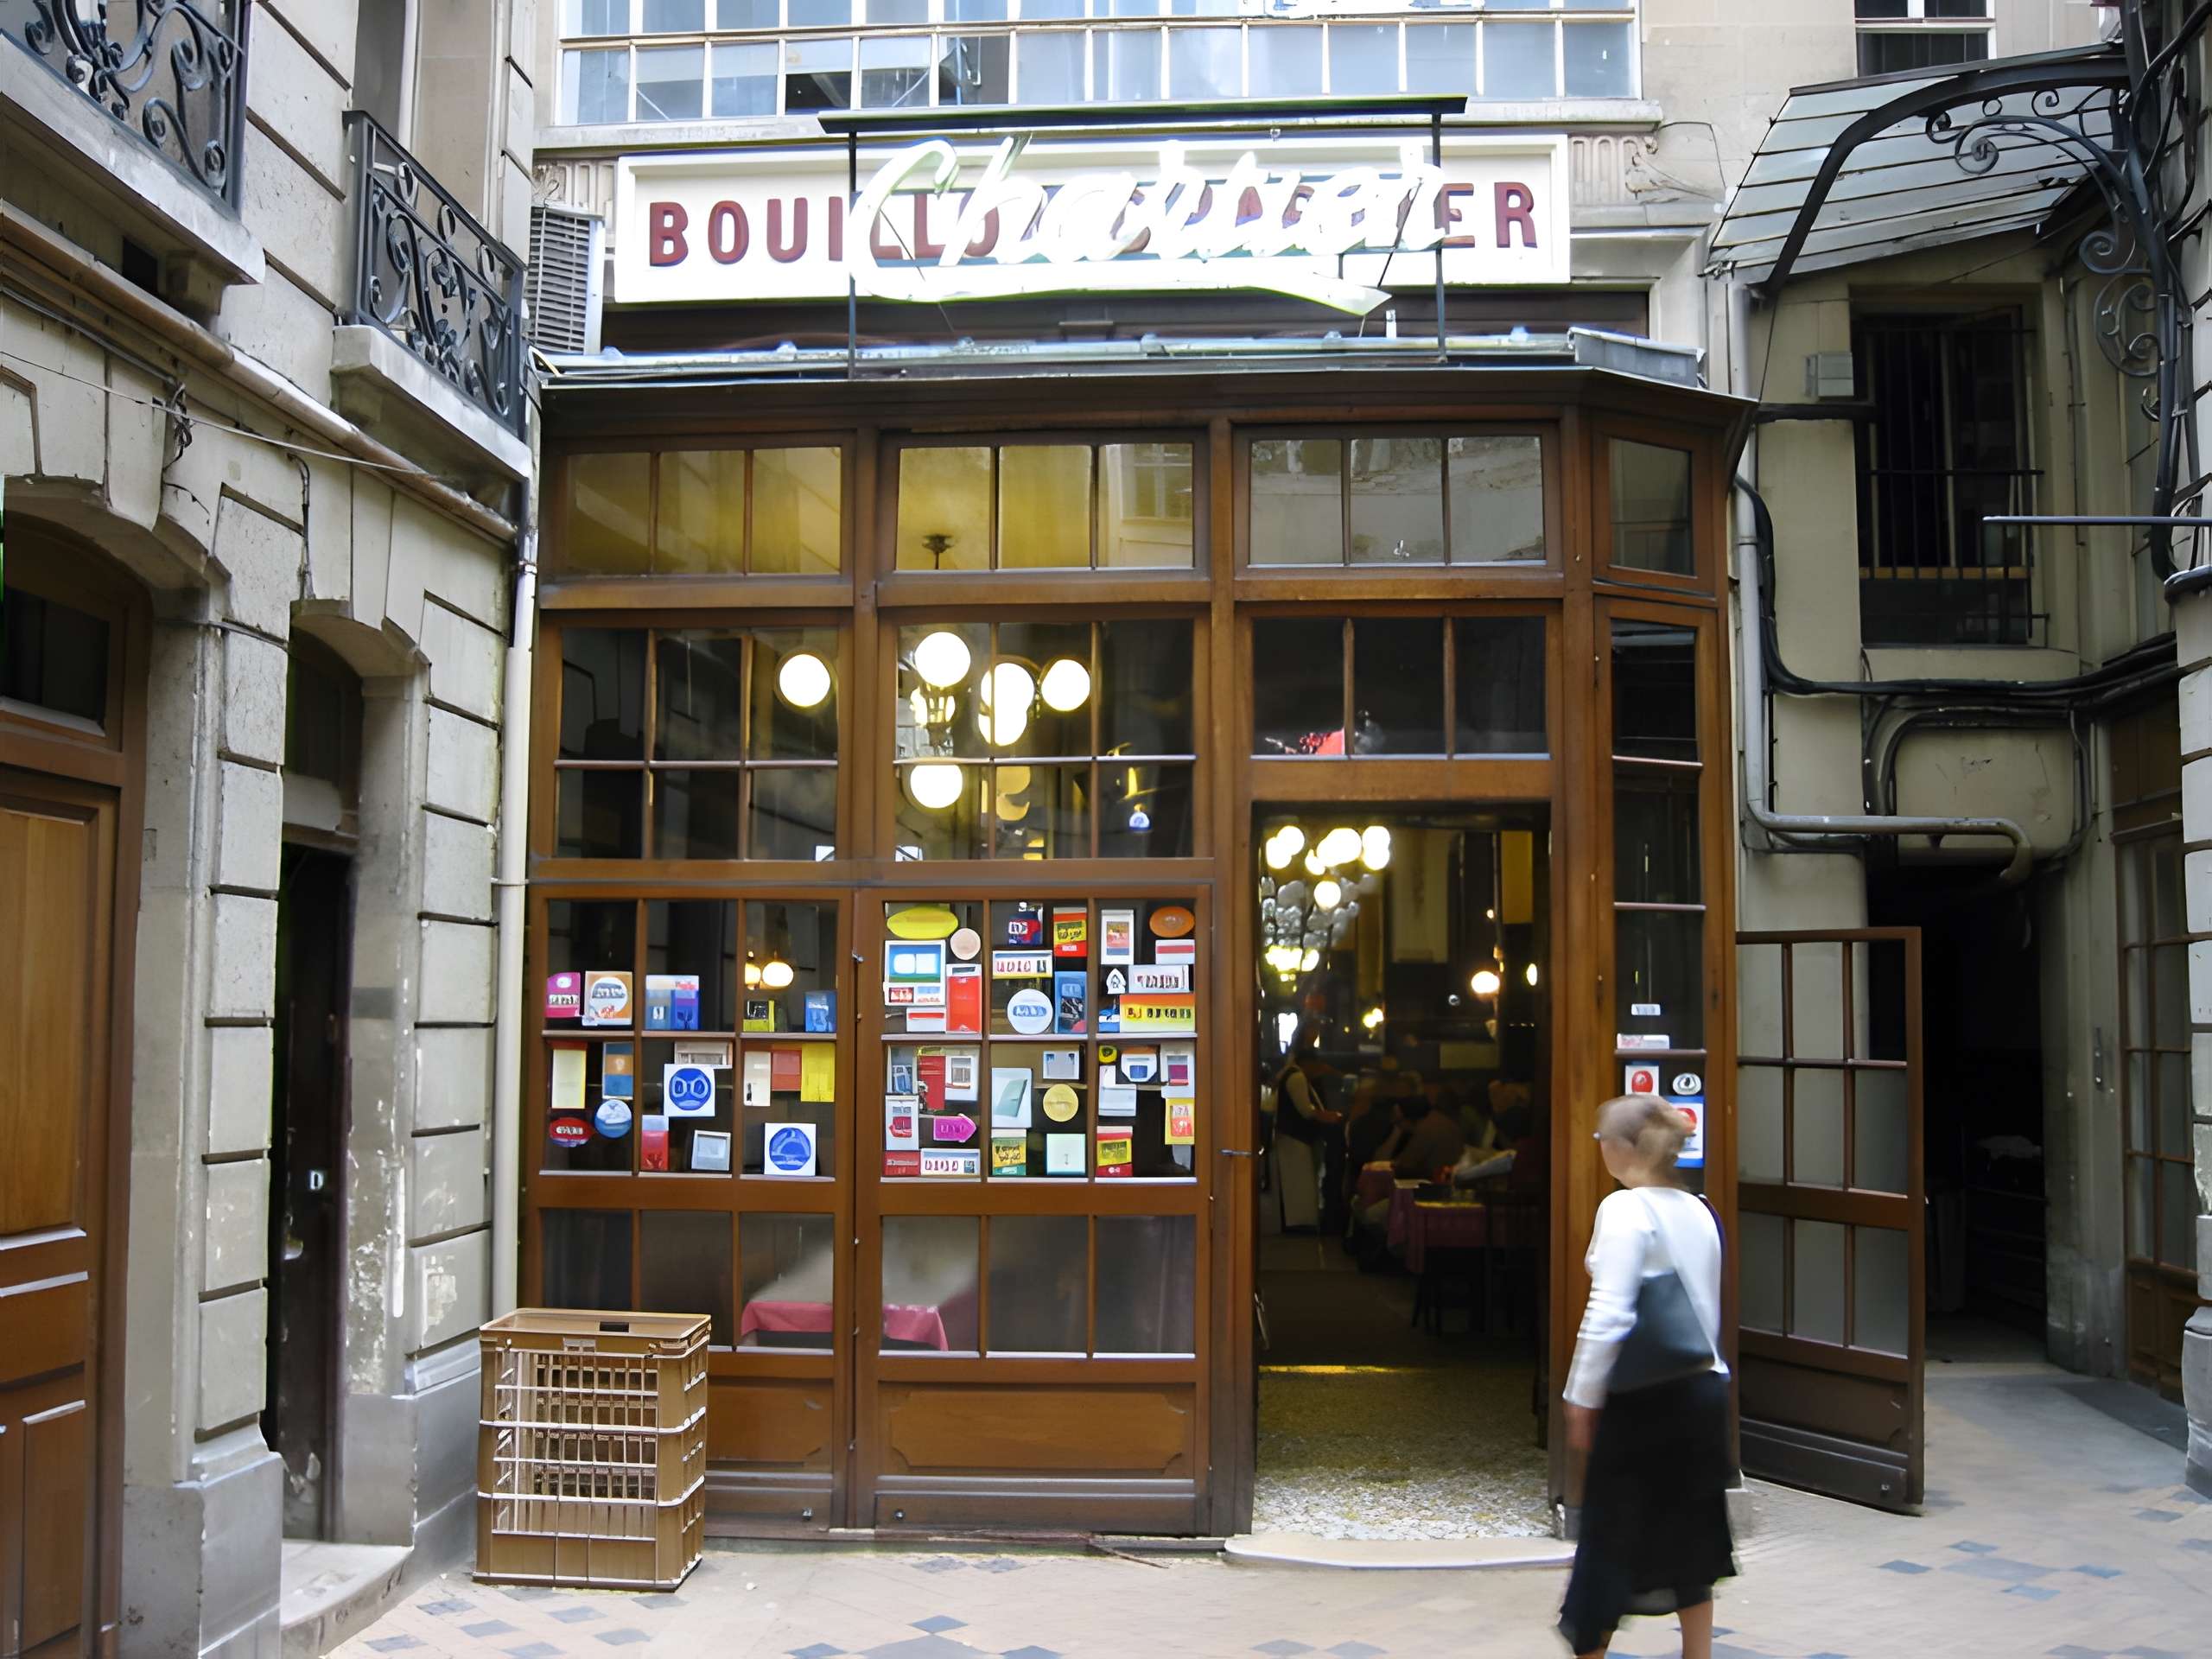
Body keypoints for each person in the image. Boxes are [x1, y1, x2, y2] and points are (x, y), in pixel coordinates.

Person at [1558, 1096, 1735, 1659]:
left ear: (1619, 1148)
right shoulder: (1700, 1209)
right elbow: (1706, 1305)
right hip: (1702, 1391)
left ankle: (1592, 1651)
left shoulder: (1624, 1209)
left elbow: (1608, 1312)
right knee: (1693, 1536)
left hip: (1640, 1400)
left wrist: (1582, 1397)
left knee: (1608, 1540)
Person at [1272, 1027, 1344, 1232]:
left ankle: (1301, 1221)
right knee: (1300, 1182)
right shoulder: (1297, 1077)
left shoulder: (1292, 1074)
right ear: (1308, 1064)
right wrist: (1329, 1116)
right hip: (1296, 1137)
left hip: (1293, 1136)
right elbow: (1306, 1110)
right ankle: (1301, 1223)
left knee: (1299, 1181)